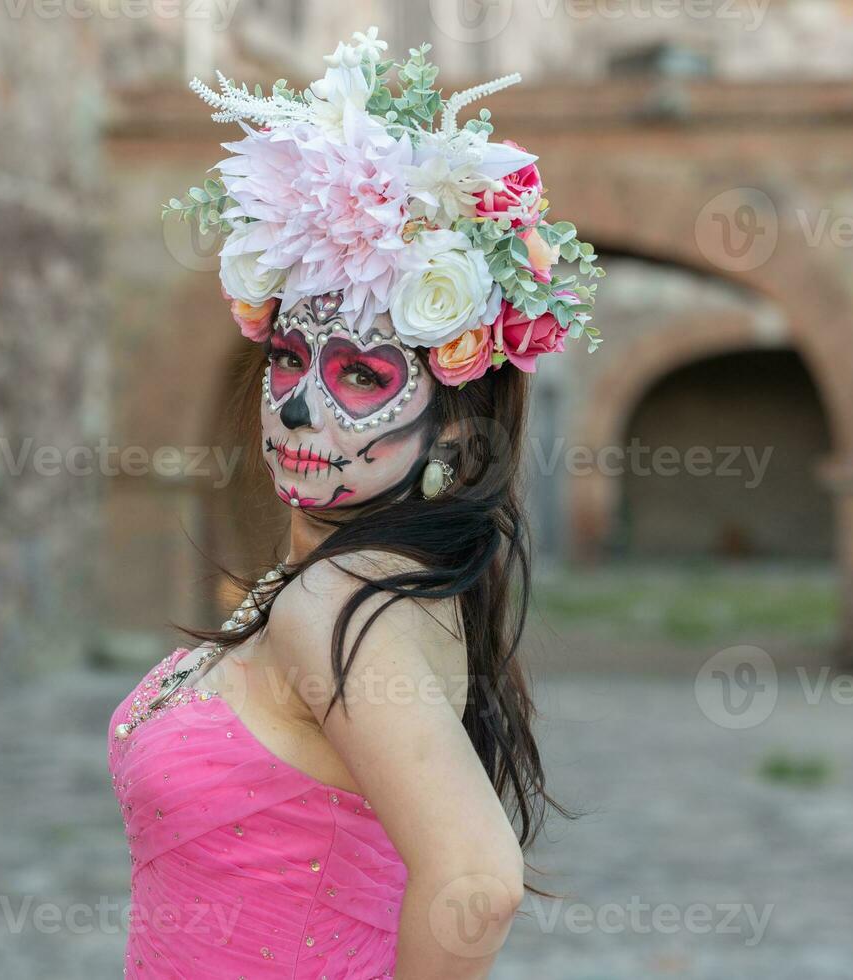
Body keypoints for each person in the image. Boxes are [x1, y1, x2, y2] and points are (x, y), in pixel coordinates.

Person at [108, 27, 605, 978]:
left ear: (454, 434)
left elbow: (476, 880)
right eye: (288, 359)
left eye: (363, 375)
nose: (300, 401)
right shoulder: (359, 583)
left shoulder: (337, 604)